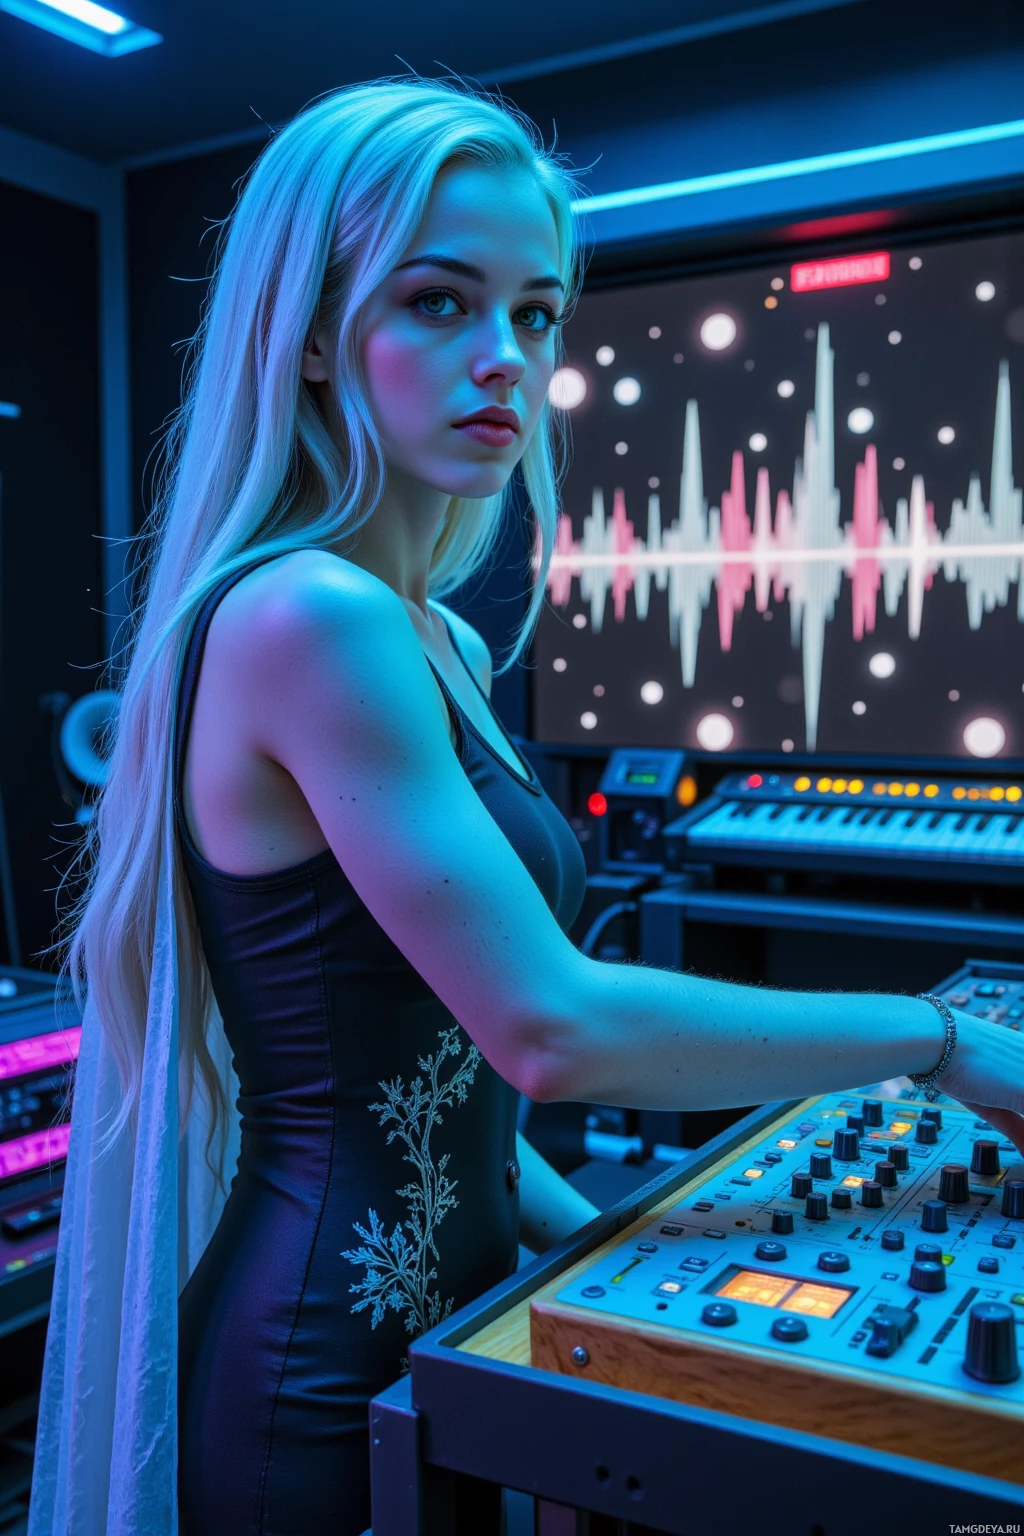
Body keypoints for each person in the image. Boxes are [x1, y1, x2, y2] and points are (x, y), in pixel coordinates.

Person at [30, 76, 1024, 1536]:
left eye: (537, 313)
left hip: (459, 1316)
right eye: (440, 303)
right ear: (308, 337)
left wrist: (617, 1244)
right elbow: (547, 1032)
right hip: (316, 1370)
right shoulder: (309, 616)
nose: (508, 360)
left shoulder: (436, 634)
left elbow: (450, 1084)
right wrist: (945, 1044)